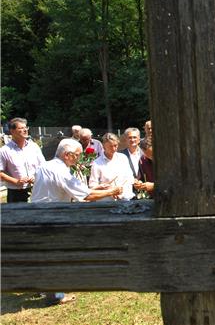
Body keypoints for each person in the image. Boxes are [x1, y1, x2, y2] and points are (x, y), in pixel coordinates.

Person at [30, 138, 122, 306]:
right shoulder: (62, 171)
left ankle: (40, 287)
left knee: (41, 254)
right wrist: (111, 190)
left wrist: (98, 188)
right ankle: (55, 295)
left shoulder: (47, 166)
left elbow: (74, 189)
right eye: (77, 155)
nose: (79, 159)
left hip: (36, 215)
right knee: (55, 256)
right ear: (67, 155)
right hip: (51, 218)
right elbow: (86, 196)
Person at [0, 118, 46, 203]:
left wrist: (35, 176)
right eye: (21, 128)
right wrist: (16, 181)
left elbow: (43, 166)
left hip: (36, 189)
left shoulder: (34, 147)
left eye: (26, 127)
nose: (25, 130)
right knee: (17, 216)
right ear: (12, 131)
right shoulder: (4, 150)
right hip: (16, 193)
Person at [89, 133, 135, 201]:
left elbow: (129, 178)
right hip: (106, 202)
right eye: (110, 146)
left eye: (115, 145)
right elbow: (93, 185)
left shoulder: (123, 158)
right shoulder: (97, 163)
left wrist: (121, 192)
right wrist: (105, 189)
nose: (114, 149)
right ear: (104, 146)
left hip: (125, 198)